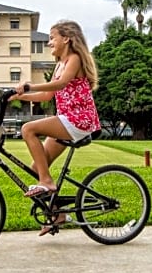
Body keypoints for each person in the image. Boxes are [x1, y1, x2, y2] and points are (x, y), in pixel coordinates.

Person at [10, 20, 101, 234]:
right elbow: (48, 95)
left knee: (28, 129)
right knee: (36, 169)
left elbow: (60, 84)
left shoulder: (74, 59)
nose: (50, 43)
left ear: (66, 39)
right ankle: (57, 212)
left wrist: (28, 84)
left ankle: (47, 181)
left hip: (79, 120)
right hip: (67, 119)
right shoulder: (59, 64)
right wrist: (20, 96)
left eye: (52, 38)